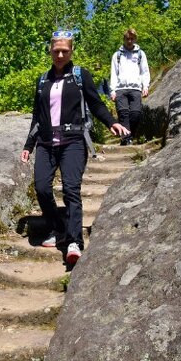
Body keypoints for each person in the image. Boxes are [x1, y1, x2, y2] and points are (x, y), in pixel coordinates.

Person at [21, 30, 130, 265]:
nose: (60, 55)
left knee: (71, 189)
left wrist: (111, 122)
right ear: (50, 51)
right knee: (42, 188)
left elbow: (96, 103)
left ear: (71, 51)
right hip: (46, 143)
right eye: (56, 50)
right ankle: (58, 228)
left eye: (65, 51)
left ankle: (74, 242)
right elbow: (37, 116)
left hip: (73, 141)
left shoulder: (80, 76)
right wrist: (29, 145)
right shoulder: (43, 80)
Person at [109, 28, 150, 145]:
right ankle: (126, 139)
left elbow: (144, 71)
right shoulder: (117, 55)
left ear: (135, 39)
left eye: (132, 39)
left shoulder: (140, 54)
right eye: (127, 39)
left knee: (136, 114)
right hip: (120, 89)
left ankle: (129, 136)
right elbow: (113, 73)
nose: (129, 41)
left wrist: (145, 86)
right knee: (123, 114)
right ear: (124, 39)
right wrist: (113, 90)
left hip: (136, 88)